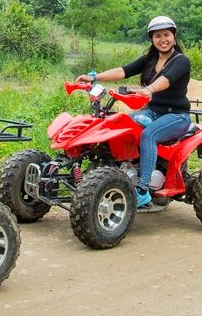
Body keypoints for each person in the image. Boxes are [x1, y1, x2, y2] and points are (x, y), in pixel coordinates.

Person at [76, 15, 191, 210]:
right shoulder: (150, 59)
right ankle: (119, 171)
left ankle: (143, 190)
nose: (162, 39)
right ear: (151, 39)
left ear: (174, 36)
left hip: (176, 116)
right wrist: (94, 77)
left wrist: (149, 90)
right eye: (157, 36)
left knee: (149, 135)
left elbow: (167, 79)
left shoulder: (181, 61)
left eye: (166, 35)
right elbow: (123, 71)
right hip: (152, 111)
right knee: (118, 124)